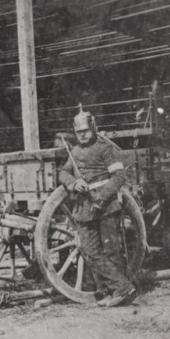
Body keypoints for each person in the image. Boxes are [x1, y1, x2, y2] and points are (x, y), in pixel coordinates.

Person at [58, 108, 136, 307]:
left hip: (107, 205)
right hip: (84, 207)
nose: (82, 134)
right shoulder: (74, 152)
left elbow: (119, 177)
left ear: (93, 128)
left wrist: (101, 198)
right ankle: (122, 286)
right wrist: (73, 183)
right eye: (78, 132)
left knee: (111, 250)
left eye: (85, 130)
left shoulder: (105, 149)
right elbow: (63, 173)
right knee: (89, 250)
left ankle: (115, 292)